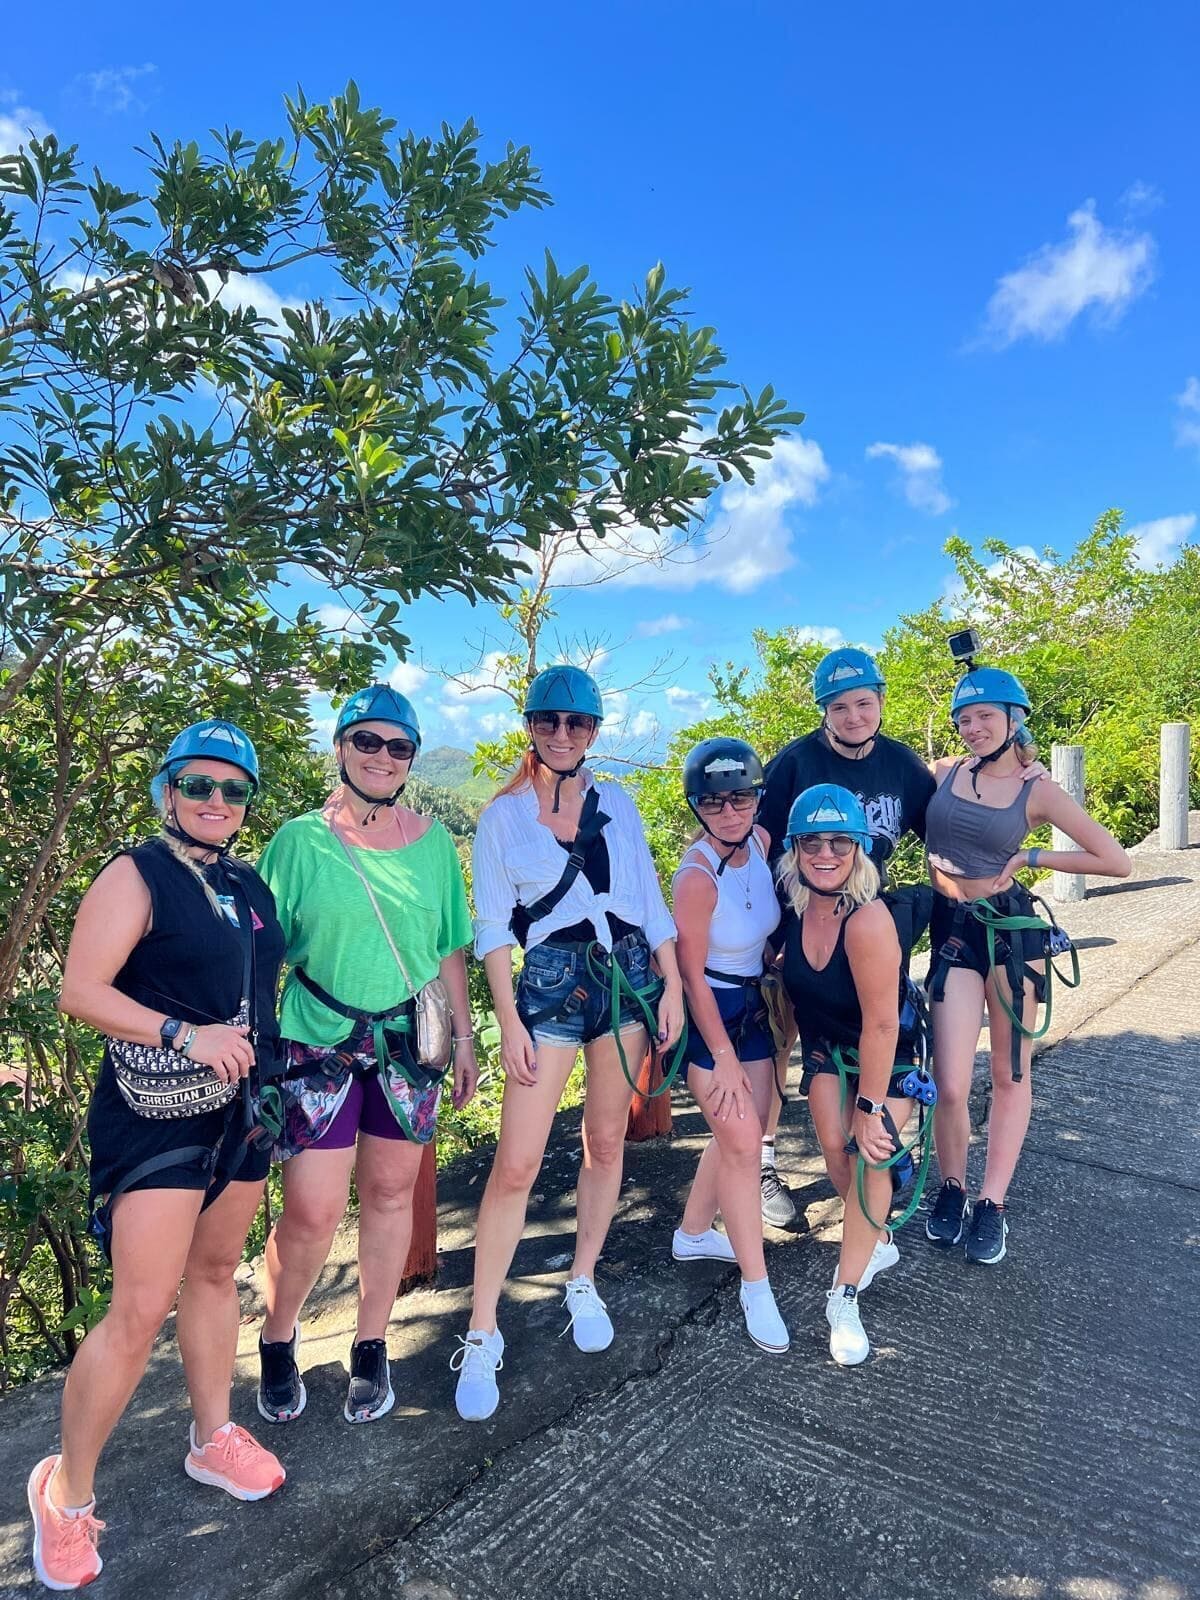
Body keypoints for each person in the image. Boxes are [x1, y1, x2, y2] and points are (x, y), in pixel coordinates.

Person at [28, 720, 286, 1593]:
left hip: (241, 1109)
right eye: (198, 784)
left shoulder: (246, 883)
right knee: (139, 1309)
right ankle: (64, 1494)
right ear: (167, 790)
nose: (216, 800)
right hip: (158, 1115)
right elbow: (79, 991)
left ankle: (212, 1437)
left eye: (233, 789)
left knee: (214, 1274)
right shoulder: (135, 874)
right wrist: (184, 1032)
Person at [453, 666, 685, 1421]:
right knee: (517, 1162)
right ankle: (482, 1328)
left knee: (606, 1142)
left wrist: (673, 985)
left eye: (576, 723)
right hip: (551, 983)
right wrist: (508, 1020)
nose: (562, 733)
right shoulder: (504, 817)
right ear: (530, 726)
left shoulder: (617, 803)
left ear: (593, 732)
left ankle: (582, 1276)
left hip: (625, 976)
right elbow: (492, 926)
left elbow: (648, 899)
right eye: (549, 721)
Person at [255, 685, 477, 1426]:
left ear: (412, 758)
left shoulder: (433, 843)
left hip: (407, 1044)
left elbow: (448, 947)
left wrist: (465, 1038)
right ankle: (278, 1333)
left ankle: (371, 1341)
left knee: (389, 1194)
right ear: (341, 747)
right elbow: (259, 951)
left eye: (399, 746)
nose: (383, 756)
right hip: (316, 1037)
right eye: (368, 741)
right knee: (311, 1211)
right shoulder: (299, 843)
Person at [923, 666, 1130, 1265]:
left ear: (1014, 720)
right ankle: (952, 1187)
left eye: (985, 716)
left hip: (1011, 936)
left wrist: (1032, 855)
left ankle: (992, 1203)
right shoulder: (944, 771)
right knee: (951, 1082)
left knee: (1011, 1074)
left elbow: (1115, 860)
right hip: (952, 930)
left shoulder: (1036, 790)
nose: (973, 727)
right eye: (964, 718)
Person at [755, 647, 935, 1227]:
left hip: (866, 923)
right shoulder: (794, 764)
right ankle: (763, 1162)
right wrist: (773, 930)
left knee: (875, 1024)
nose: (853, 716)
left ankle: (878, 1133)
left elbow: (942, 833)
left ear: (880, 701)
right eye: (839, 706)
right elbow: (759, 846)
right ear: (823, 711)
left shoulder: (903, 767)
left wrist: (985, 777)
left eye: (863, 703)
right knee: (782, 1042)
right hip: (799, 926)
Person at [777, 783, 921, 1366]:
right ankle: (877, 1237)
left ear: (858, 848)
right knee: (837, 1153)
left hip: (888, 1053)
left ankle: (844, 1296)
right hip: (826, 1048)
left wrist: (870, 1108)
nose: (825, 853)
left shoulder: (867, 921)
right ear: (795, 849)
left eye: (840, 841)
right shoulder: (794, 911)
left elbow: (882, 1025)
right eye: (812, 842)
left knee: (869, 1156)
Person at [670, 738, 789, 1353]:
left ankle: (693, 1234)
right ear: (698, 806)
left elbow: (760, 929)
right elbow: (691, 977)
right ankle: (755, 1284)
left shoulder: (763, 845)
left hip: (753, 1005)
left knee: (744, 1131)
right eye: (714, 802)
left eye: (741, 797)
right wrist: (721, 1058)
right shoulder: (696, 878)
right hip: (711, 1014)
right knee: (743, 1144)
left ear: (757, 798)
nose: (729, 811)